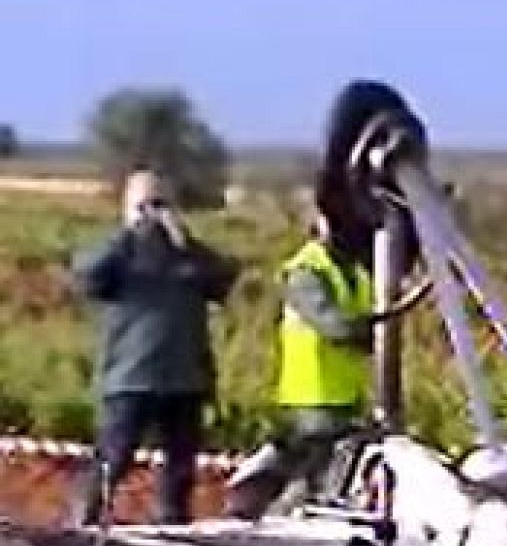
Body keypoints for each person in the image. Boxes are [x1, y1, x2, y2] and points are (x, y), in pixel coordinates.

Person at [70, 168, 239, 525]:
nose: (153, 213)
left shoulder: (187, 254)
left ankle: (173, 531)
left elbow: (223, 280)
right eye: (144, 204)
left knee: (180, 469)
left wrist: (185, 240)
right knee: (112, 460)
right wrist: (129, 232)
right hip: (131, 375)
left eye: (160, 203)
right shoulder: (118, 252)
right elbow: (87, 278)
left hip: (185, 377)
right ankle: (83, 526)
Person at [222, 209, 379, 518]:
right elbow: (337, 328)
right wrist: (364, 329)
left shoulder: (354, 272)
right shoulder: (306, 271)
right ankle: (271, 517)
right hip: (313, 394)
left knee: (334, 473)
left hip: (345, 392)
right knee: (312, 475)